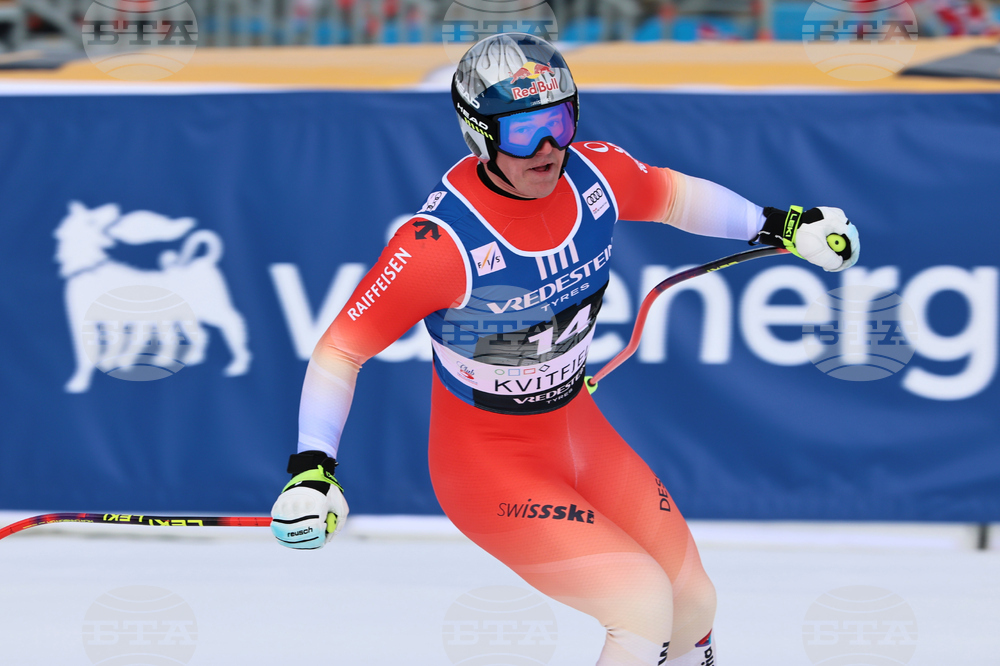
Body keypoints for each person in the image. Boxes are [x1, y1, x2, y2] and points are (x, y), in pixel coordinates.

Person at [270, 33, 860, 666]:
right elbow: (340, 351)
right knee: (640, 607)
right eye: (523, 133)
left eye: (559, 121)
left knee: (692, 604)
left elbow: (676, 197)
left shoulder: (595, 176)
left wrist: (784, 226)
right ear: (478, 134)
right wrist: (312, 469)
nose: (548, 148)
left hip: (577, 430)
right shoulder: (439, 245)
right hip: (489, 466)